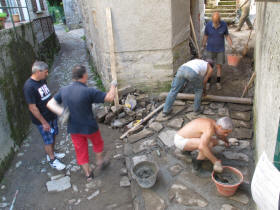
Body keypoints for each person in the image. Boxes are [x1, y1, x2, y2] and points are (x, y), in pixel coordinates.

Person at [47, 65, 117, 181]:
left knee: (81, 151)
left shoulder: (64, 90)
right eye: (87, 75)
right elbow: (110, 98)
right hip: (90, 127)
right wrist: (113, 85)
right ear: (84, 76)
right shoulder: (88, 91)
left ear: (73, 77)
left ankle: (88, 174)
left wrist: (62, 112)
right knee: (98, 144)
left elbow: (50, 104)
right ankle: (100, 162)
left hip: (74, 129)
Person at [23, 61, 66, 170]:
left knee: (54, 134)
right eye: (45, 72)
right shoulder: (29, 87)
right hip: (43, 119)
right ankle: (52, 159)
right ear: (38, 71)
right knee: (48, 140)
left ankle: (52, 153)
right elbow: (32, 107)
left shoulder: (42, 80)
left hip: (51, 115)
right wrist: (44, 123)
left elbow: (47, 96)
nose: (47, 74)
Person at [202, 12, 234, 90]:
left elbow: (226, 35)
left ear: (219, 20)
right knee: (209, 66)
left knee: (219, 66)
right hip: (210, 49)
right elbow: (206, 35)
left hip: (220, 49)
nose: (215, 24)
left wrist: (231, 44)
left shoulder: (224, 25)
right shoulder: (208, 25)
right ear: (212, 20)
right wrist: (203, 44)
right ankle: (208, 82)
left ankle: (218, 82)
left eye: (217, 22)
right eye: (214, 22)